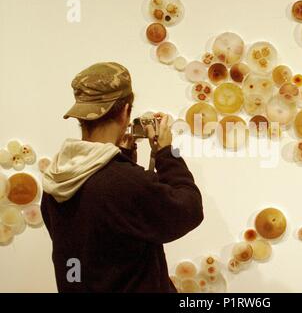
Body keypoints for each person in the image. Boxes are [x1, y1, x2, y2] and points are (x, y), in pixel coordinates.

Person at [41, 62, 203, 293]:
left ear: (81, 116)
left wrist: (124, 155)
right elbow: (189, 209)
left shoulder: (56, 180)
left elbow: (105, 238)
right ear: (126, 111)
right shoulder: (125, 183)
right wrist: (168, 152)